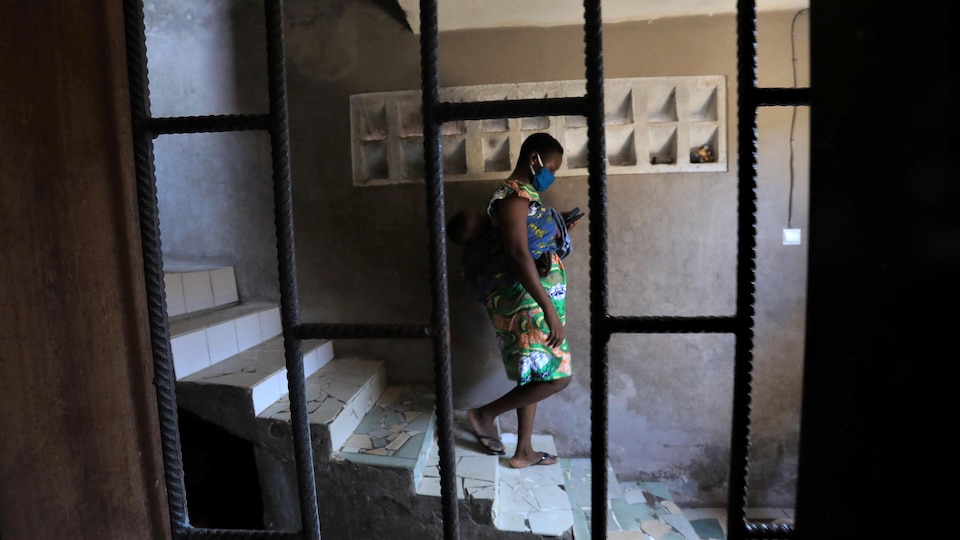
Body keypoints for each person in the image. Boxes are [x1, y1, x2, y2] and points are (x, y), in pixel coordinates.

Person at [449, 132, 578, 468]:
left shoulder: (525, 197)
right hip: (525, 302)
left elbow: (529, 244)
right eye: (550, 167)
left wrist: (557, 228)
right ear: (533, 159)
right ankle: (483, 414)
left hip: (533, 298)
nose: (551, 175)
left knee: (534, 375)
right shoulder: (514, 196)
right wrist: (548, 310)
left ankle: (524, 451)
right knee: (558, 378)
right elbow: (518, 255)